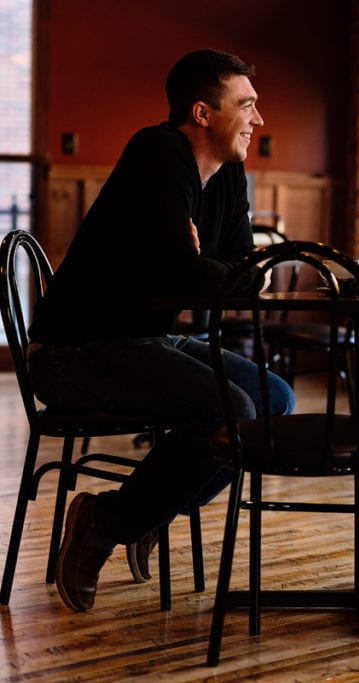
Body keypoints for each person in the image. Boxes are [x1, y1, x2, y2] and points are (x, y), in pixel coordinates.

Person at [27, 48, 295, 611]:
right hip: (75, 352)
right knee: (235, 410)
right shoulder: (158, 151)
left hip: (145, 338)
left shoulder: (228, 172)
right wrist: (208, 268)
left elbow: (246, 272)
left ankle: (144, 510)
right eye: (246, 105)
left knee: (274, 398)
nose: (258, 119)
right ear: (202, 113)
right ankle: (105, 522)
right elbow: (187, 273)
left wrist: (209, 266)